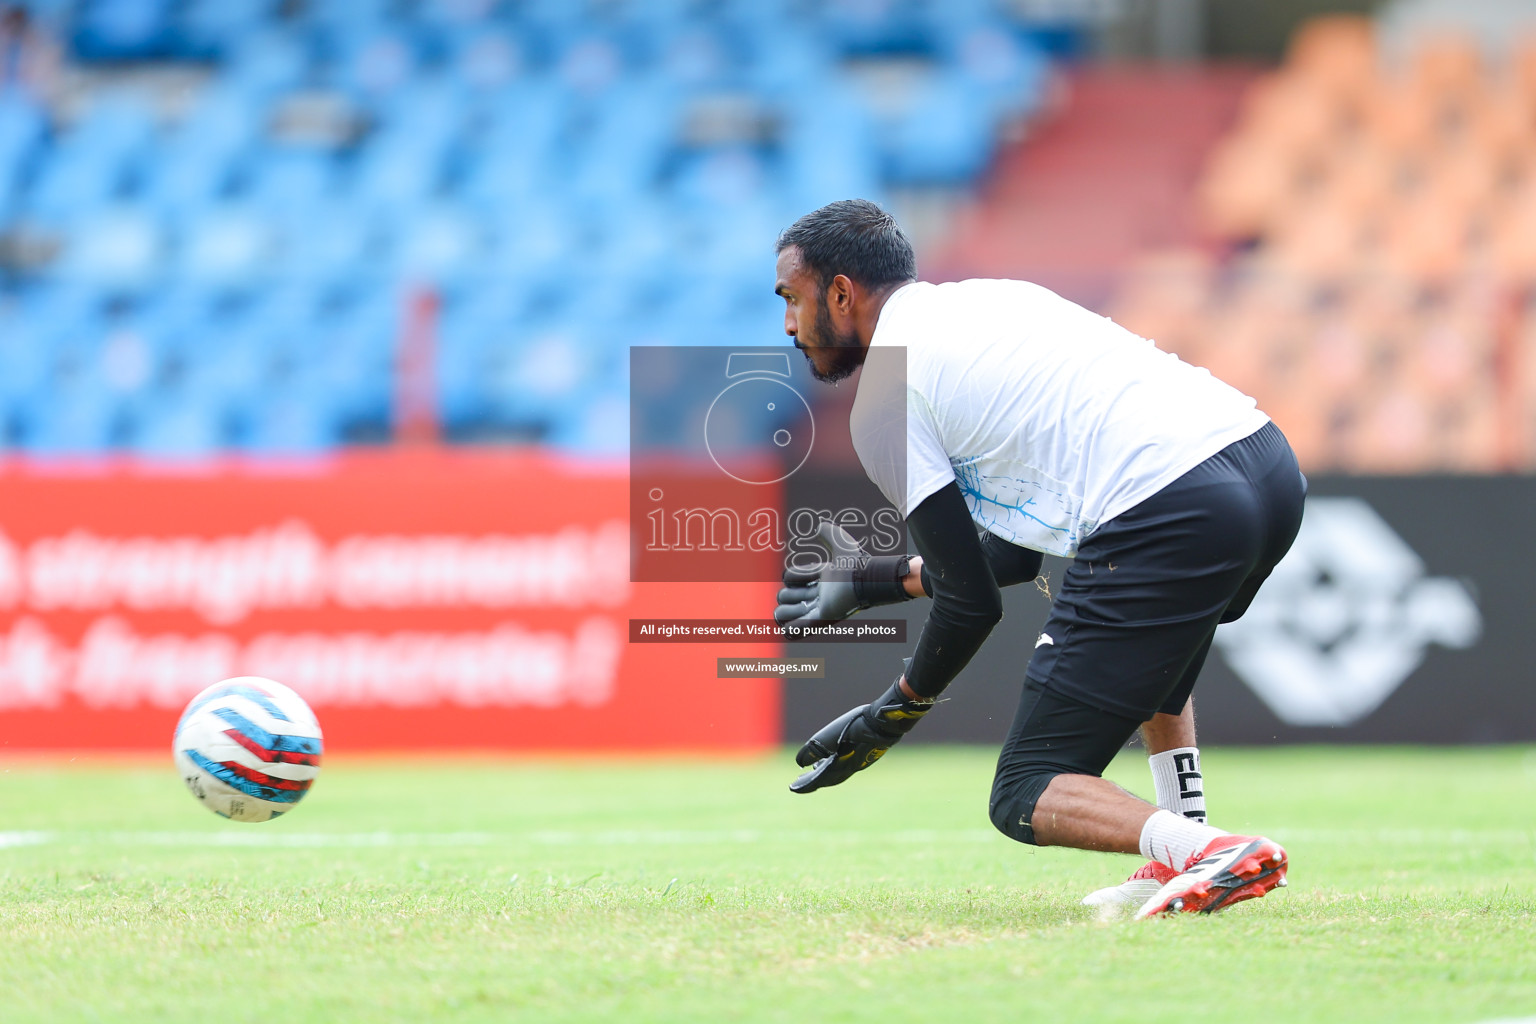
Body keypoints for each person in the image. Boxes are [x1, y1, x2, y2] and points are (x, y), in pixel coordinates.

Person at [771, 199, 1306, 917]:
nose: (788, 326)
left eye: (792, 299)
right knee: (1143, 636)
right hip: (1264, 465)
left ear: (839, 292)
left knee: (1025, 787)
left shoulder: (885, 404)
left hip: (1167, 504)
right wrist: (881, 579)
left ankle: (1210, 854)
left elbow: (972, 605)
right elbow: (1020, 555)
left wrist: (891, 714)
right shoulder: (997, 298)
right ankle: (1186, 840)